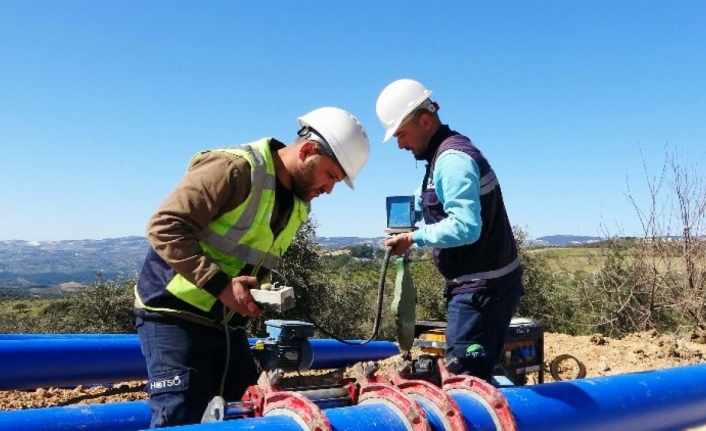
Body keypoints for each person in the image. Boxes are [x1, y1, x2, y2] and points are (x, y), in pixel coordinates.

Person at [133, 106, 370, 428]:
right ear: (308, 150)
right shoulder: (234, 168)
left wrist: (257, 292)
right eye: (330, 175)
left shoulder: (298, 202)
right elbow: (165, 226)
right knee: (181, 416)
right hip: (174, 314)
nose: (330, 189)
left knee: (248, 413)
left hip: (226, 325)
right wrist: (221, 285)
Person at [376, 79, 524, 381]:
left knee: (463, 380)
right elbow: (426, 199)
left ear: (426, 121)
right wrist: (409, 219)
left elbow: (466, 227)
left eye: (402, 134)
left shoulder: (452, 161)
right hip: (476, 288)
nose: (400, 144)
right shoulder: (438, 159)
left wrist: (414, 237)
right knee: (469, 373)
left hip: (483, 292)